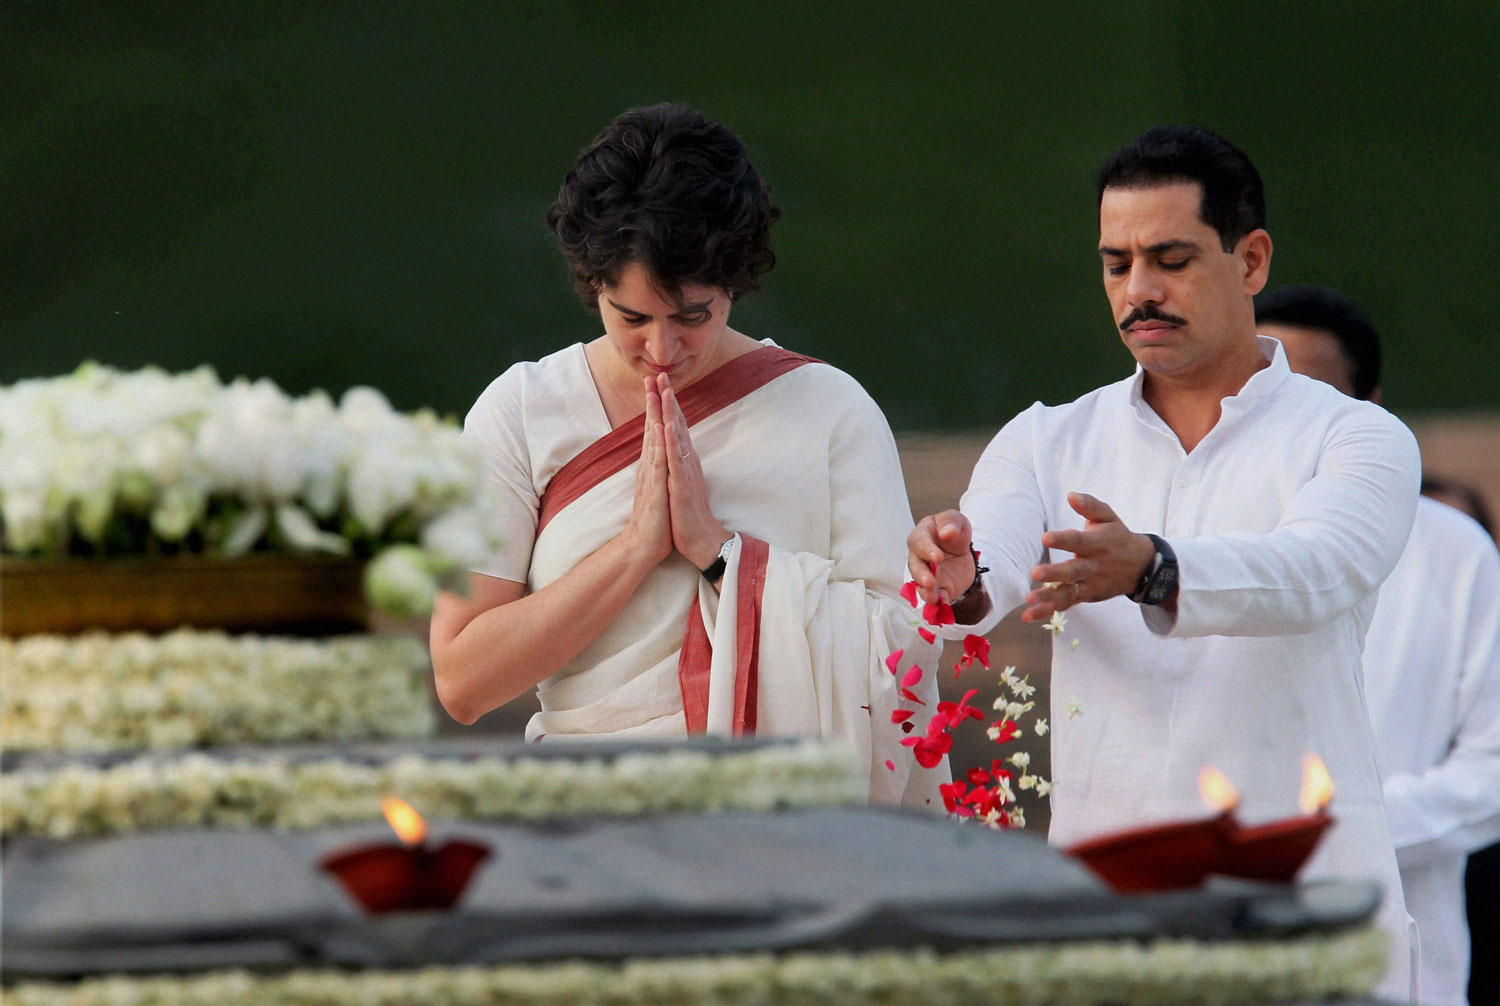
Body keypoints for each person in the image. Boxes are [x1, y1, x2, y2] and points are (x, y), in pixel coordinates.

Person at [906, 125, 1419, 999]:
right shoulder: (1047, 439)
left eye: (1171, 260)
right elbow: (987, 564)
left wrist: (1153, 568)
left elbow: (1317, 569)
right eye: (1117, 265)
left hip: (1308, 897)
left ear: (1250, 261)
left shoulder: (1355, 436)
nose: (1138, 291)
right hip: (1112, 909)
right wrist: (956, 576)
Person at [429, 103, 942, 806]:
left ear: (735, 282)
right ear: (593, 283)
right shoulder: (520, 413)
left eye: (692, 317)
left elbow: (897, 656)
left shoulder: (830, 410)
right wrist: (633, 550)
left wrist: (721, 555)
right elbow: (462, 682)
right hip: (585, 821)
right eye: (632, 318)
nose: (661, 350)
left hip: (780, 827)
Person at [1256, 284, 1500, 1006]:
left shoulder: (1454, 549)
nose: (1289, 424)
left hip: (1400, 958)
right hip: (1222, 950)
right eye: (1266, 397)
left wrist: (1339, 832)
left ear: (1373, 409)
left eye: (1315, 399)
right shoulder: (1187, 548)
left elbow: (1492, 771)